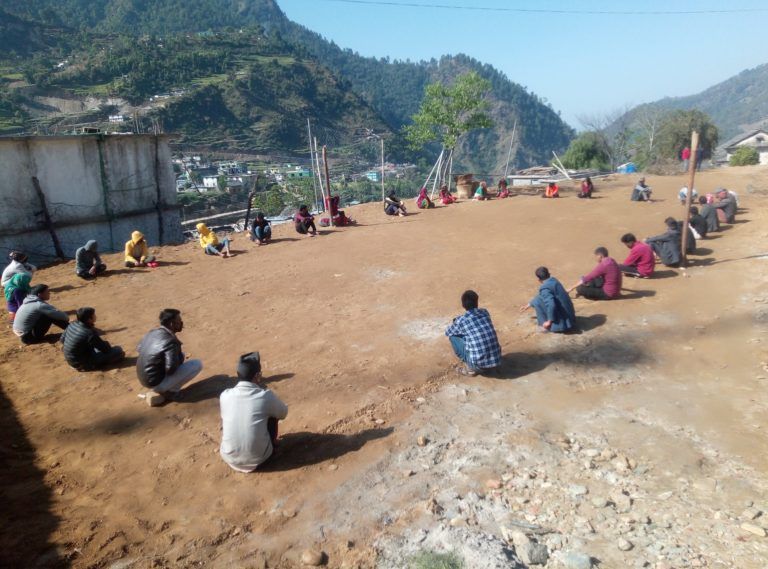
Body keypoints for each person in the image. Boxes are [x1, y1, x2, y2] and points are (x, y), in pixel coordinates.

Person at [219, 352, 289, 472]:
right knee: (272, 413)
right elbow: (283, 413)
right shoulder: (265, 396)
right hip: (260, 459)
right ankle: (271, 445)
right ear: (257, 376)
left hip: (230, 459)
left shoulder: (224, 395)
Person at [136, 308, 203, 406]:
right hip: (156, 383)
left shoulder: (152, 332)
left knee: (180, 356)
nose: (181, 323)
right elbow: (171, 369)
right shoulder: (170, 341)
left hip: (144, 379)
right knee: (197, 364)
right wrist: (179, 358)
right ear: (172, 324)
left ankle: (165, 388)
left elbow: (139, 348)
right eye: (179, 321)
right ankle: (171, 391)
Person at [444, 290, 501, 376]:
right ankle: (487, 366)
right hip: (497, 360)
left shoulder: (461, 321)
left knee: (453, 337)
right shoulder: (485, 312)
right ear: (477, 302)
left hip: (479, 366)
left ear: (463, 305)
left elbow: (448, 332)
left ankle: (470, 368)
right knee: (471, 334)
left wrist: (456, 322)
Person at [519, 267, 576, 333]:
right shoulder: (554, 280)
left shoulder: (545, 288)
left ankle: (547, 326)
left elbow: (551, 305)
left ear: (539, 279)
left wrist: (549, 321)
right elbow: (541, 295)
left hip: (565, 324)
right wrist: (528, 305)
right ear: (549, 274)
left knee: (537, 302)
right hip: (570, 317)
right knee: (538, 299)